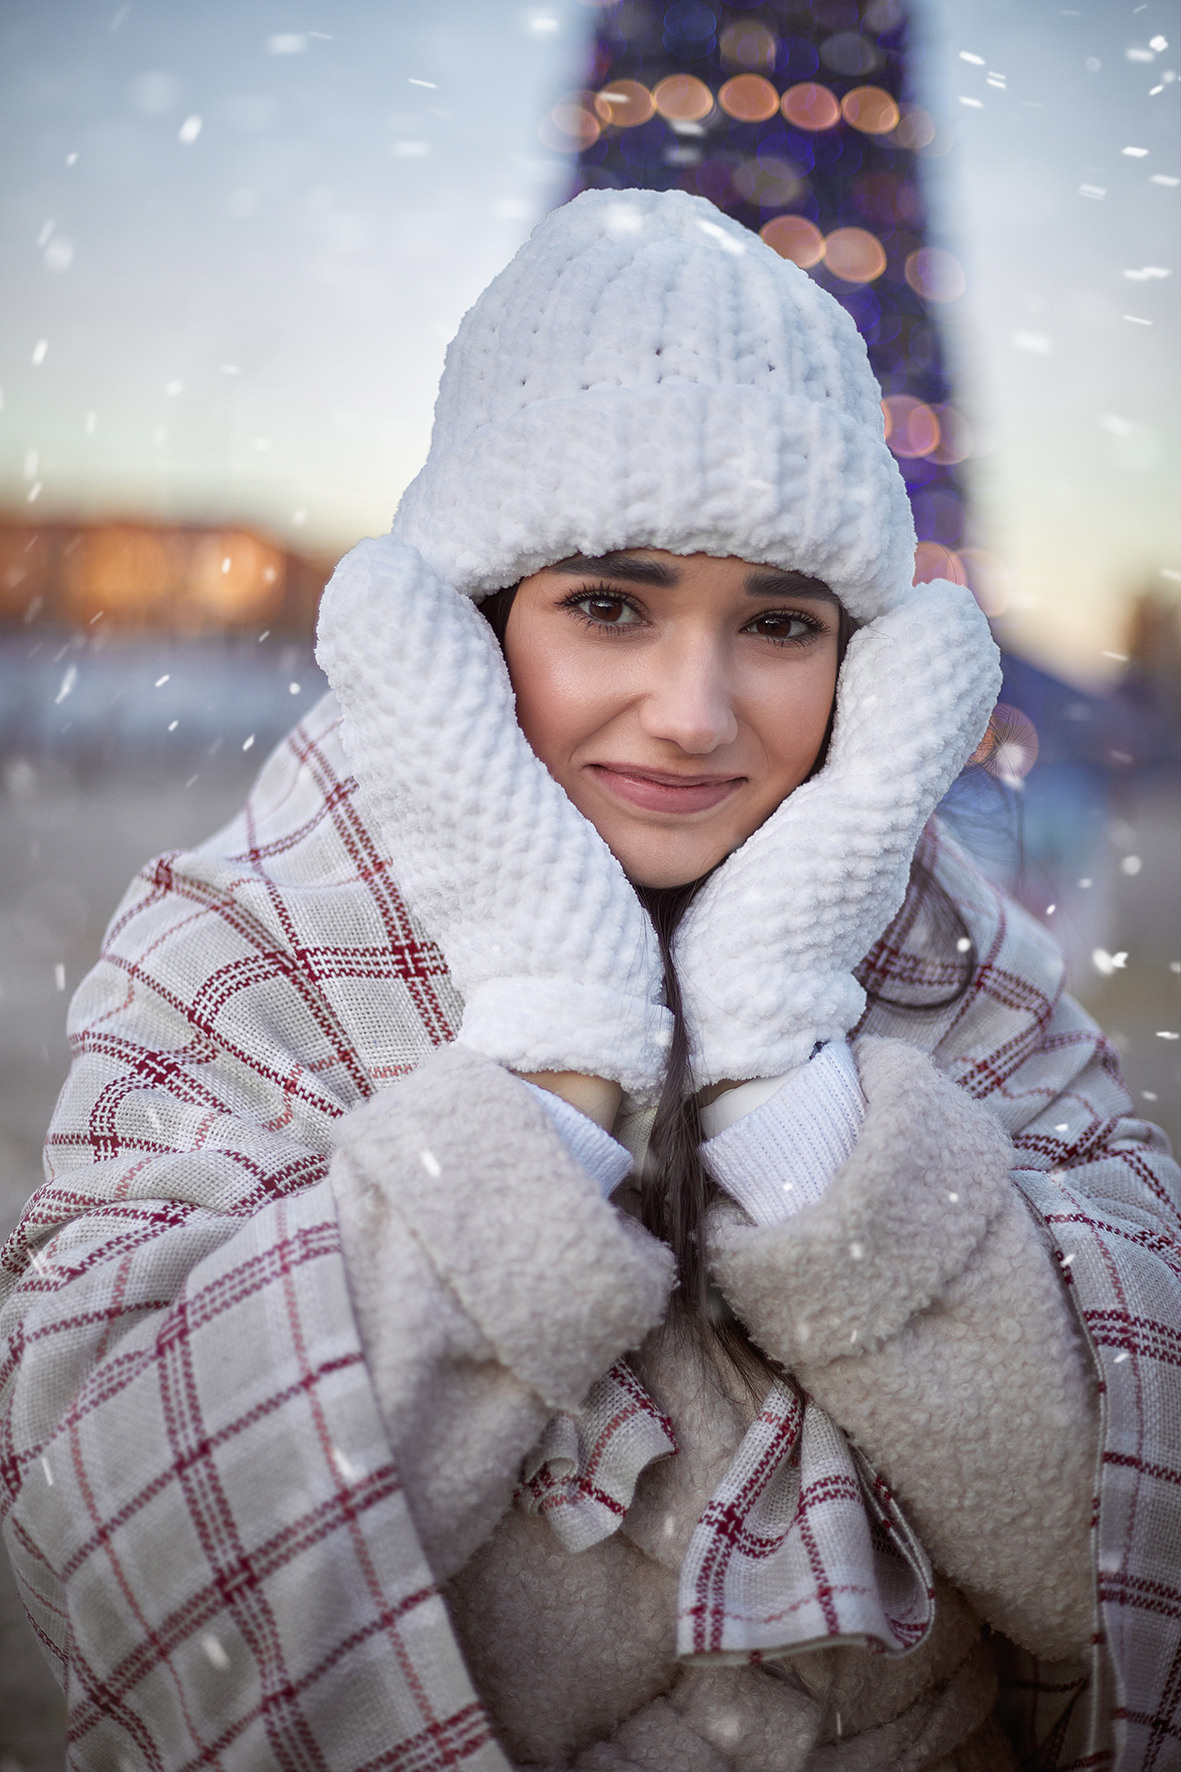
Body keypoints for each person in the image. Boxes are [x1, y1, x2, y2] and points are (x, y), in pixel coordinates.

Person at [1, 189, 1177, 1772]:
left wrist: (789, 1094)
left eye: (775, 621)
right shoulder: (238, 951)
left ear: (871, 668)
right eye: (610, 605)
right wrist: (552, 1072)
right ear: (470, 633)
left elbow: (1106, 1560)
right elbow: (115, 1551)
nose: (692, 713)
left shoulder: (976, 978)